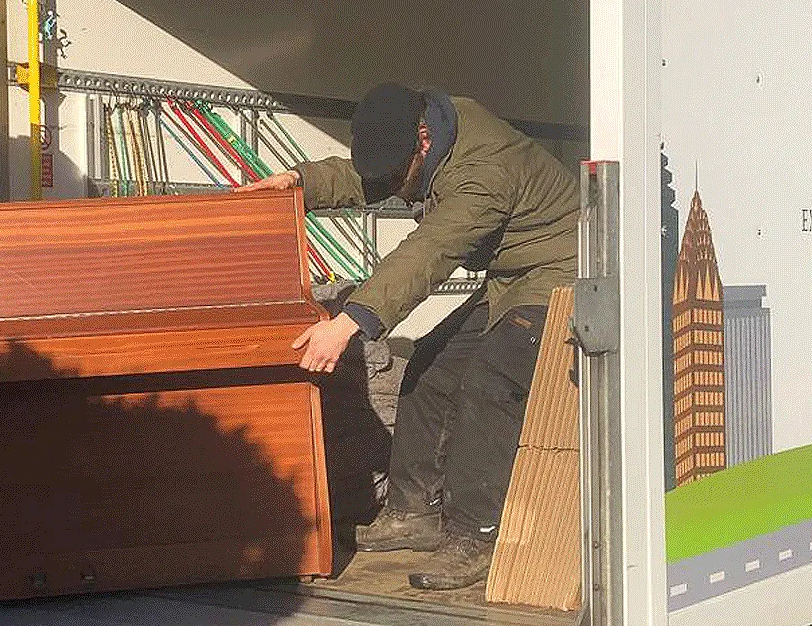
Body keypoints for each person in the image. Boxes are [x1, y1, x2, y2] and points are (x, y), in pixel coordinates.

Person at [239, 83, 577, 589]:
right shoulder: (426, 136)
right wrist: (299, 183)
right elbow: (367, 174)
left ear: (422, 140)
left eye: (401, 175)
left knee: (490, 380)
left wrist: (347, 324)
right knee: (430, 366)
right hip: (510, 279)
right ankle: (413, 511)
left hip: (560, 273)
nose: (395, 186)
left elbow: (428, 253)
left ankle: (473, 536)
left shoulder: (483, 172)